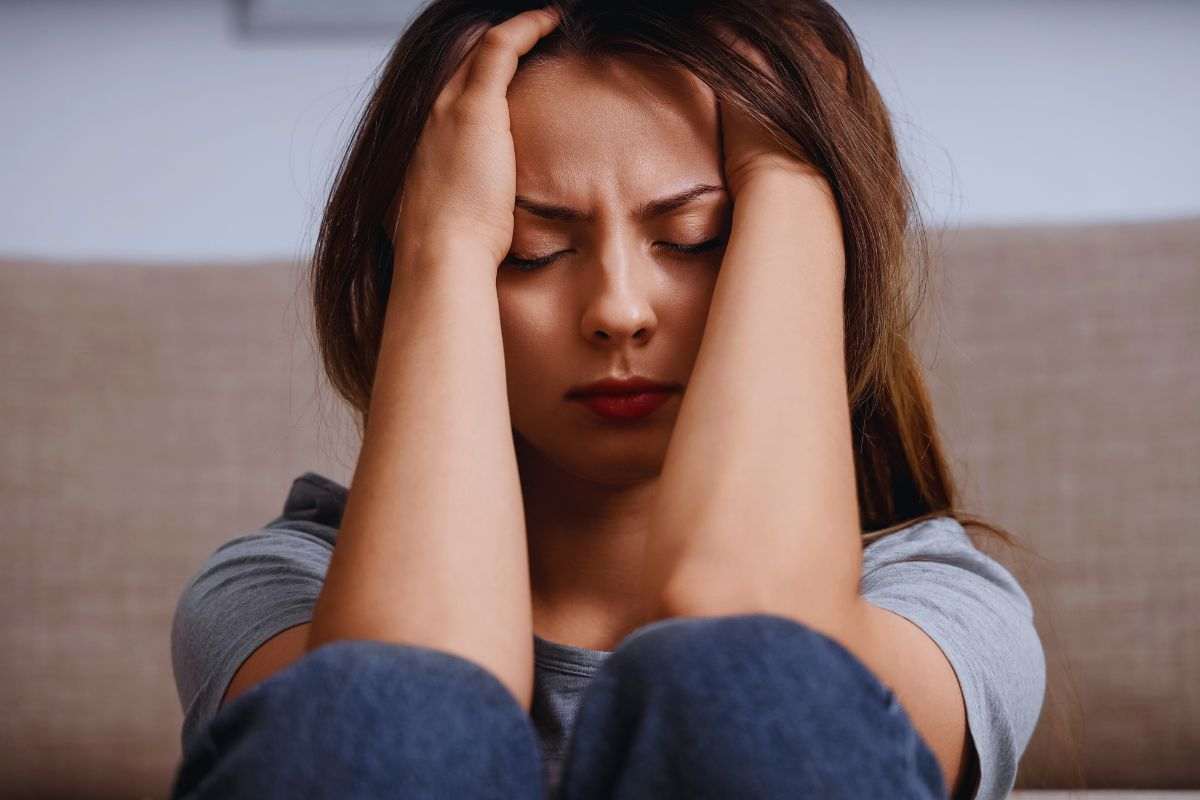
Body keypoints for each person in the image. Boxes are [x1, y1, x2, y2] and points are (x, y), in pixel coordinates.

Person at [169, 2, 1046, 798]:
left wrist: (797, 182)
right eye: (530, 250)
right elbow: (405, 698)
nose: (619, 312)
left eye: (698, 239)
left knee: (758, 680)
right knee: (383, 698)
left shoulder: (945, 605)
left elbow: (754, 629)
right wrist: (443, 247)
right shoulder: (275, 591)